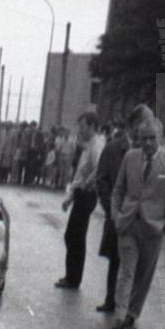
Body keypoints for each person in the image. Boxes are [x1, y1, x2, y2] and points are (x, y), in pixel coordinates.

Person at [109, 109, 165, 329]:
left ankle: (132, 311)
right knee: (127, 270)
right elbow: (119, 189)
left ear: (160, 137)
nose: (148, 143)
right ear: (138, 138)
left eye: (152, 138)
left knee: (144, 273)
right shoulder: (130, 157)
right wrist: (116, 214)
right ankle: (120, 314)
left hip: (154, 226)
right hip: (128, 221)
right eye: (144, 139)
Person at [55, 110, 106, 291]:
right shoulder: (88, 145)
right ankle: (72, 276)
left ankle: (73, 278)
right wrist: (70, 197)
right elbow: (80, 173)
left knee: (75, 236)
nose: (80, 130)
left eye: (83, 127)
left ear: (92, 127)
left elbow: (99, 168)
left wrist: (85, 184)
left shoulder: (97, 145)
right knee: (73, 235)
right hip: (81, 193)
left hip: (87, 194)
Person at [92, 122, 129, 316]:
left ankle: (128, 306)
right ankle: (111, 299)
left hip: (138, 218)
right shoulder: (112, 148)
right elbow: (101, 179)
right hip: (116, 214)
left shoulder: (148, 149)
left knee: (133, 263)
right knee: (115, 259)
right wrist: (110, 207)